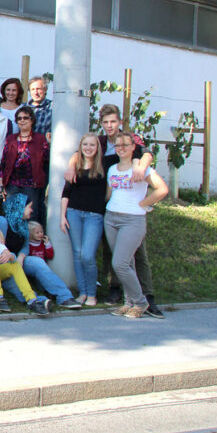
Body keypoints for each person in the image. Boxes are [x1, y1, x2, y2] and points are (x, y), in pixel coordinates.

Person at [63, 103, 159, 315]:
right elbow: (80, 152)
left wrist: (142, 165)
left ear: (120, 122)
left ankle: (147, 296)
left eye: (113, 121)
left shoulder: (129, 139)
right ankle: (118, 291)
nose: (109, 125)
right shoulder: (102, 141)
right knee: (112, 251)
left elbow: (147, 153)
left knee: (136, 255)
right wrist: (71, 165)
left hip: (131, 209)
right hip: (108, 205)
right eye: (105, 122)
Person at [105, 131, 168, 319]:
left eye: (125, 144)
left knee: (120, 264)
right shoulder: (112, 169)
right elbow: (110, 193)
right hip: (111, 217)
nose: (121, 148)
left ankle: (141, 302)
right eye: (118, 145)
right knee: (127, 263)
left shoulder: (142, 169)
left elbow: (162, 189)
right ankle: (129, 302)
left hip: (133, 219)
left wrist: (143, 204)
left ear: (134, 147)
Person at [0, 193, 81, 310]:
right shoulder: (2, 222)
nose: (31, 210)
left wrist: (21, 257)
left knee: (38, 262)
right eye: (29, 207)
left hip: (17, 260)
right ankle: (39, 301)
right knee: (16, 285)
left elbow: (26, 246)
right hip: (3, 264)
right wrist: (12, 258)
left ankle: (64, 297)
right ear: (20, 207)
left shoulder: (23, 224)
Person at [60, 132, 107, 306]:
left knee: (88, 255)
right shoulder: (75, 166)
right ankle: (83, 292)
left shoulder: (104, 166)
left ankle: (92, 293)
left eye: (92, 145)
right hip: (73, 213)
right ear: (80, 147)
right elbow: (66, 193)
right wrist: (62, 216)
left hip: (94, 216)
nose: (88, 148)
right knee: (77, 255)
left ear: (97, 148)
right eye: (85, 145)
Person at [0, 105, 49, 225]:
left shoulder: (40, 139)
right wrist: (1, 181)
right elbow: (4, 160)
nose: (22, 120)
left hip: (32, 184)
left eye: (25, 118)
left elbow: (47, 159)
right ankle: (12, 242)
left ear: (32, 120)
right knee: (11, 214)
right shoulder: (11, 139)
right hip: (13, 183)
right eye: (19, 118)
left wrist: (50, 143)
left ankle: (31, 243)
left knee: (31, 215)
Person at [27, 76, 52, 142]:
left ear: (45, 89)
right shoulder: (23, 108)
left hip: (44, 149)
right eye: (32, 89)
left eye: (38, 89)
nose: (36, 92)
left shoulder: (52, 107)